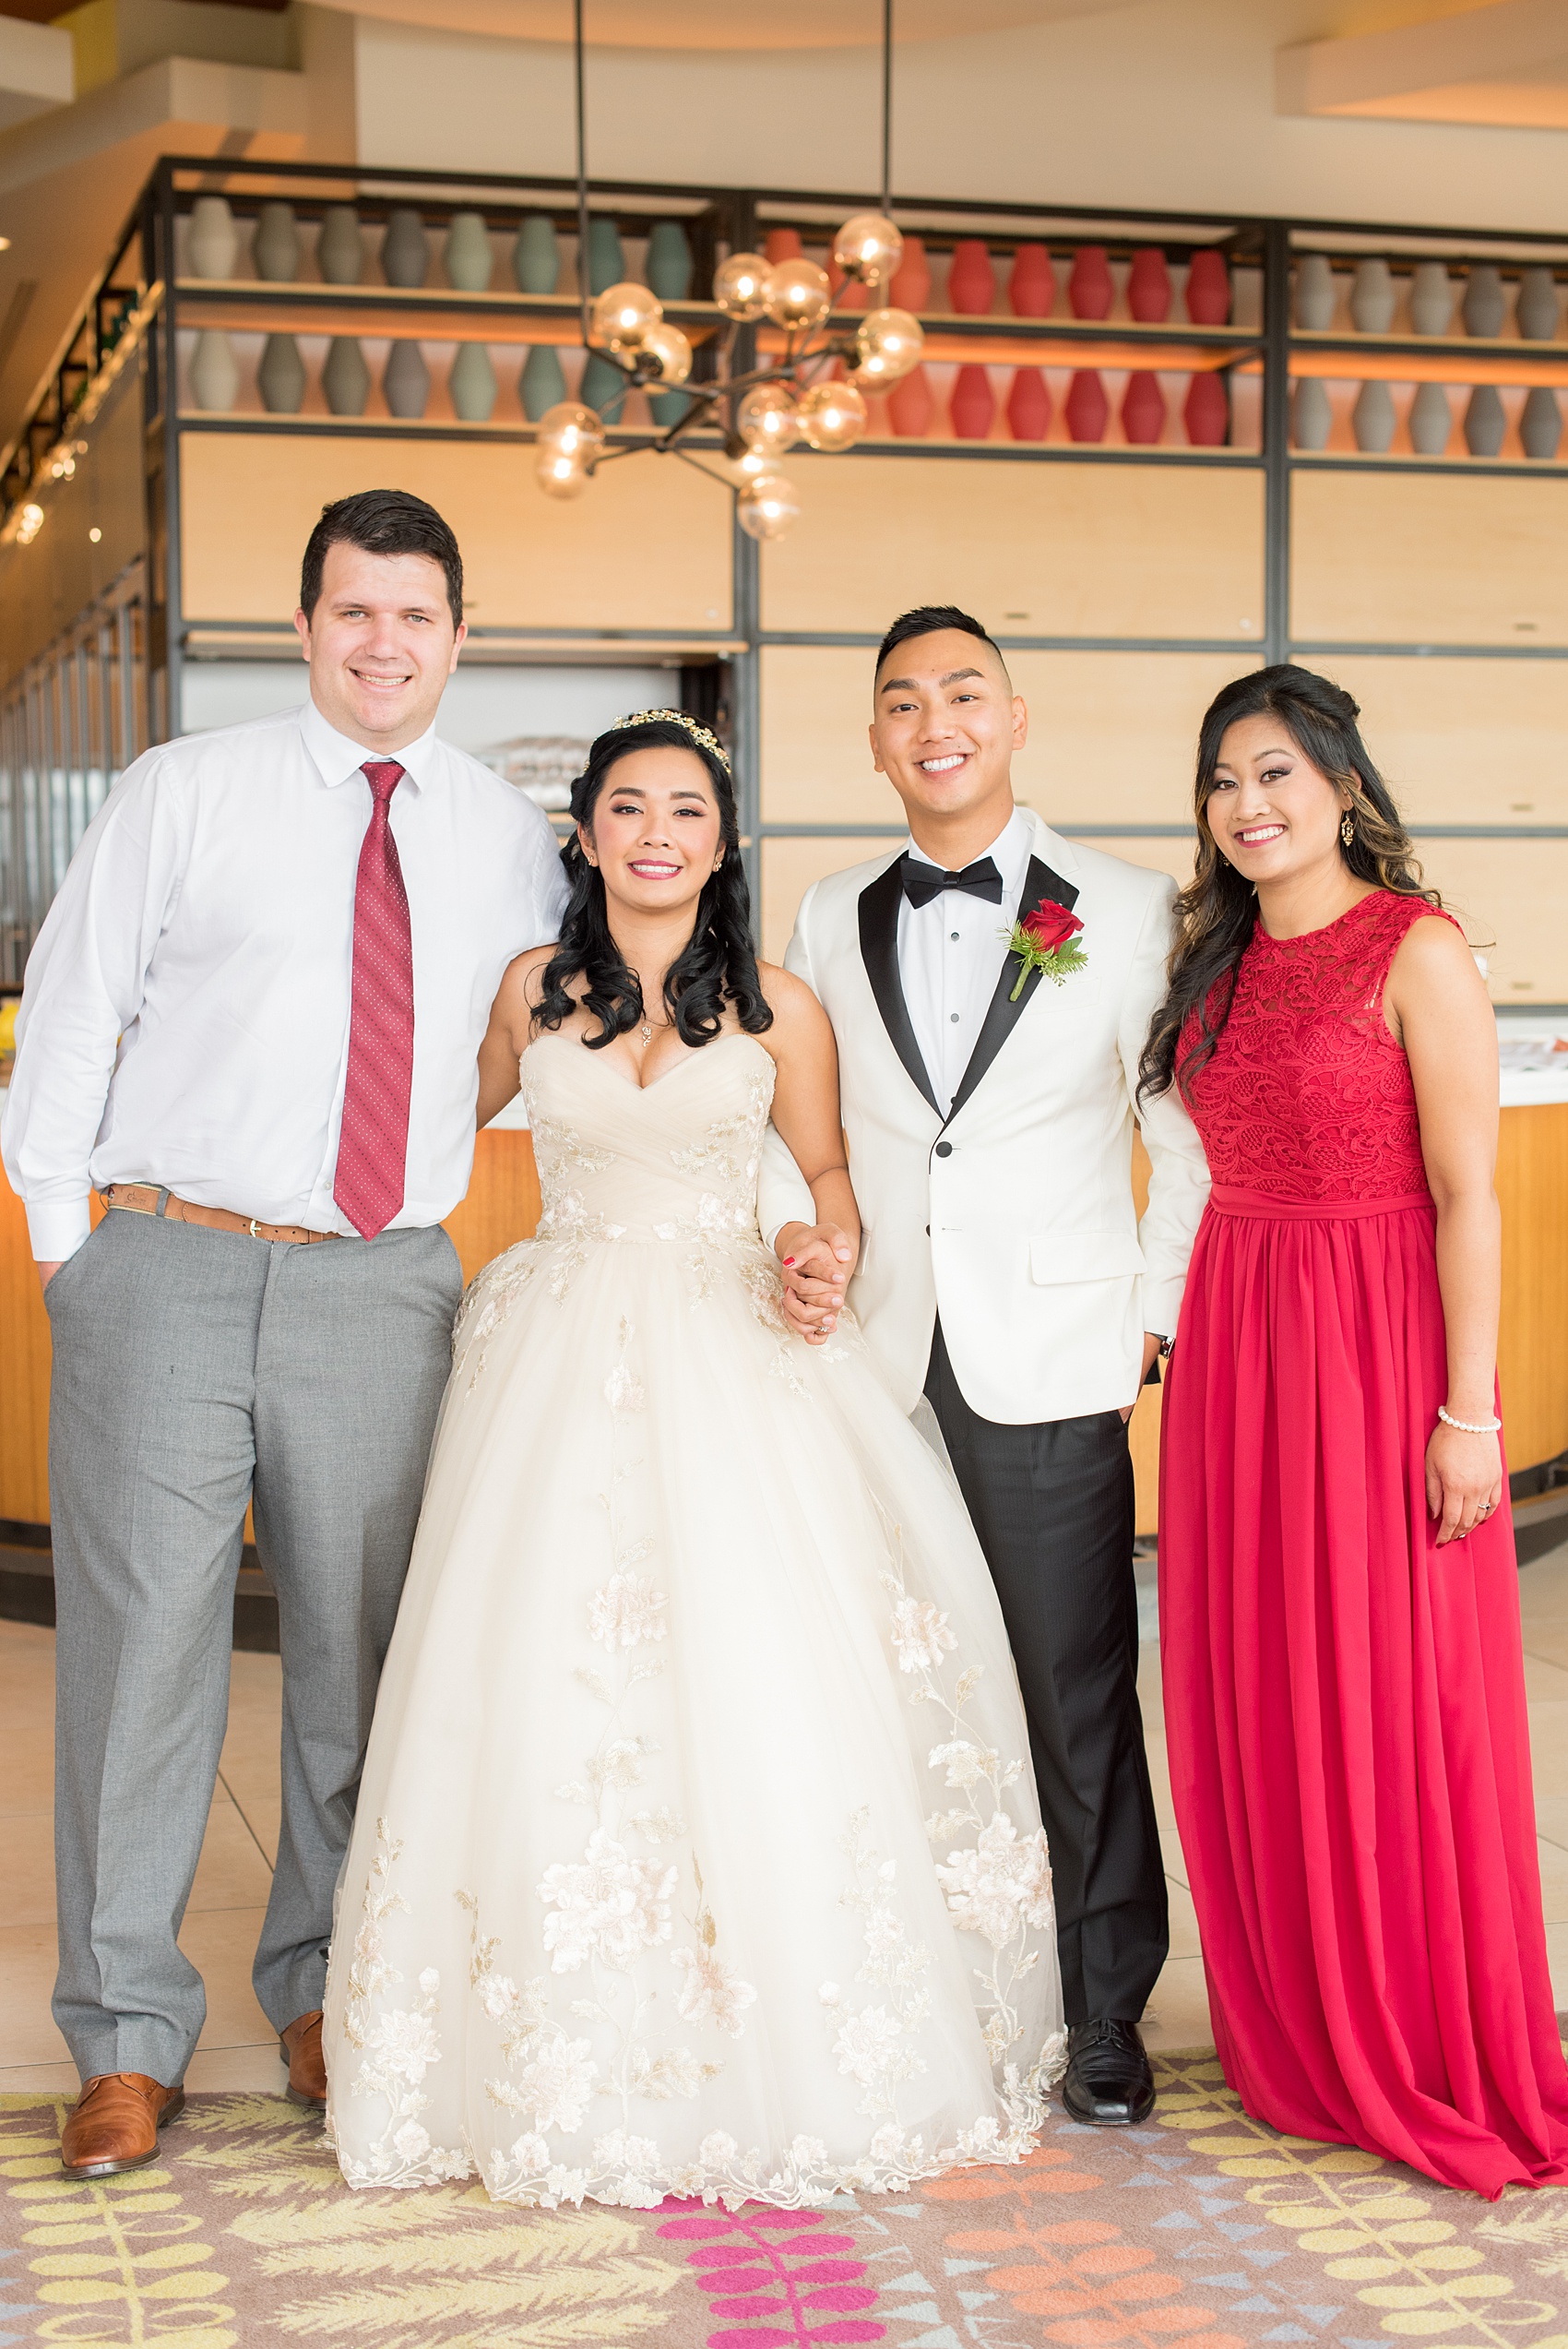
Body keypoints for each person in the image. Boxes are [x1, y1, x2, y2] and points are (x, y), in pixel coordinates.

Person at [321, 711, 1065, 2208]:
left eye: (686, 809)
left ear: (721, 842)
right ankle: (541, 2038)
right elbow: (413, 1137)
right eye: (626, 807)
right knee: (540, 1678)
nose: (656, 831)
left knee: (757, 1672)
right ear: (586, 835)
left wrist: (816, 1252)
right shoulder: (531, 989)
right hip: (555, 1350)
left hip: (736, 1348)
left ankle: (777, 2026)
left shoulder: (780, 1000)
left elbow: (831, 1182)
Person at [1, 488, 568, 2178]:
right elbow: (74, 1022)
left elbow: (570, 1040)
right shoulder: (186, 790)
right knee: (140, 1661)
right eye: (353, 611)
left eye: (416, 615)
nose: (383, 643)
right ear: (305, 625)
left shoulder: (510, 838)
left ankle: (329, 1991)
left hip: (382, 1281)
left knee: (360, 1661)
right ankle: (123, 2032)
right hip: (163, 1264)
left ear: (458, 637)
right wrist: (69, 1262)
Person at [757, 607, 1210, 2128]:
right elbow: (789, 1123)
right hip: (872, 1358)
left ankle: (1100, 2010)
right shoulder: (824, 910)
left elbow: (1184, 1138)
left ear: (1017, 716)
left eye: (962, 692)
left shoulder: (1135, 906)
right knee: (891, 1685)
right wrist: (795, 1244)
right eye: (901, 701)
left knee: (1070, 1691)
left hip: (1054, 1346)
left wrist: (1153, 1308)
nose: (932, 720)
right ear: (874, 739)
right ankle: (935, 1976)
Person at [1145, 662, 1568, 2197]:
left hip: (1384, 1340)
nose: (1248, 806)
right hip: (1243, 1339)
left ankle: (1422, 2031)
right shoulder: (1210, 958)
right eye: (1221, 781)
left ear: (1339, 782)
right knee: (1260, 1682)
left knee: (1392, 1694)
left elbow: (1472, 1193)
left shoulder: (1419, 946)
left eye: (1274, 774)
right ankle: (1308, 2035)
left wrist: (1472, 1410)